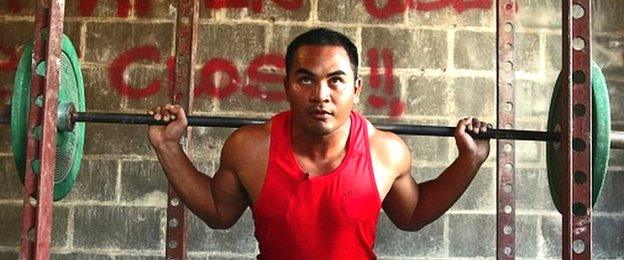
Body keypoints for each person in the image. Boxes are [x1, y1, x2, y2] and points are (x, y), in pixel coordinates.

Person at [147, 28, 491, 259]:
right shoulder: (250, 148)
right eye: (306, 79)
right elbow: (219, 213)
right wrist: (168, 147)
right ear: (286, 86)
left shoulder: (384, 151)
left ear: (356, 89)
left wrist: (469, 160)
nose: (320, 95)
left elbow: (412, 214)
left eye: (335, 80)